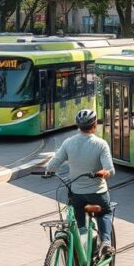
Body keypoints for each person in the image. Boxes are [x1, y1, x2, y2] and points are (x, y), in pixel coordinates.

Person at [45, 109, 115, 257]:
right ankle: (106, 242)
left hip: (77, 194)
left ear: (78, 126)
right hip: (97, 194)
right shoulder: (101, 144)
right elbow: (110, 170)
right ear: (95, 125)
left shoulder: (68, 143)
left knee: (79, 225)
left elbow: (54, 164)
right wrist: (105, 173)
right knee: (105, 212)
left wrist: (48, 171)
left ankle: (82, 249)